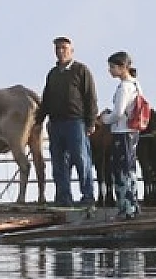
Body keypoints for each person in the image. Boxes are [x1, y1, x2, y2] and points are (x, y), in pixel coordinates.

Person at [39, 35, 97, 206]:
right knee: (58, 163)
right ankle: (63, 197)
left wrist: (91, 121)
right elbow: (46, 98)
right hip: (56, 123)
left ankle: (87, 196)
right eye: (57, 48)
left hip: (75, 121)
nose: (60, 51)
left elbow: (90, 97)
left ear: (71, 50)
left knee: (81, 159)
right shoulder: (53, 74)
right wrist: (39, 119)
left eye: (64, 48)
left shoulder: (81, 70)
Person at [100, 51, 144, 220]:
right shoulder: (136, 84)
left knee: (120, 171)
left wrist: (105, 119)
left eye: (112, 67)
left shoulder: (124, 87)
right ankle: (133, 205)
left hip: (122, 131)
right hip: (132, 132)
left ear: (122, 67)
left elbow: (118, 113)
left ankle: (125, 208)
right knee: (130, 168)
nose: (110, 70)